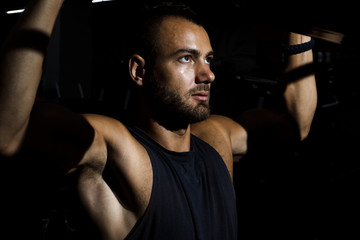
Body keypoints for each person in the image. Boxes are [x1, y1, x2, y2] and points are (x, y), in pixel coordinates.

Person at [0, 0, 317, 239]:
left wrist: (299, 29)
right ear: (140, 71)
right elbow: (9, 134)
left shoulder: (217, 137)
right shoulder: (120, 149)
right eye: (186, 58)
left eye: (208, 59)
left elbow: (297, 125)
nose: (208, 74)